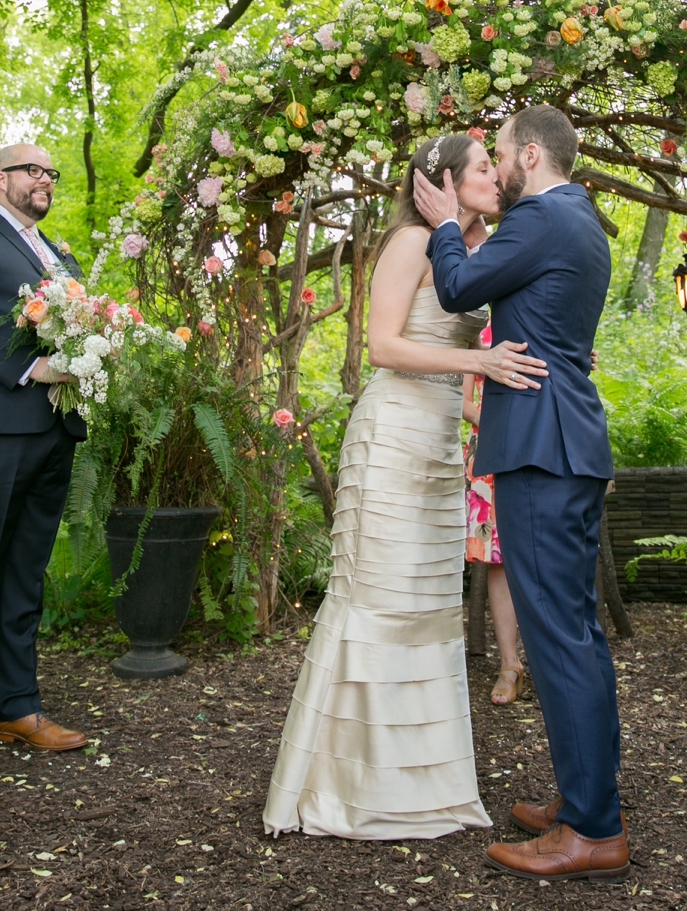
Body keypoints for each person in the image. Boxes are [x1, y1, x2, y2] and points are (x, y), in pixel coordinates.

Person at [262, 133, 547, 840]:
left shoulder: (476, 253)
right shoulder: (411, 242)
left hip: (440, 444)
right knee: (379, 603)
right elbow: (383, 348)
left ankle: (423, 785)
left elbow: (460, 362)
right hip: (390, 437)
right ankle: (347, 784)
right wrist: (483, 364)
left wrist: (493, 388)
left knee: (427, 609)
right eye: (483, 166)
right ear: (442, 181)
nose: (495, 175)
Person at [414, 104, 628, 884]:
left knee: (558, 638)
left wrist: (443, 223)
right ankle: (587, 801)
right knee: (575, 633)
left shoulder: (539, 216)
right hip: (565, 440)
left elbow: (459, 284)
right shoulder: (580, 220)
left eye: (501, 154)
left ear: (530, 156)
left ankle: (593, 831)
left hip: (544, 446)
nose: (497, 168)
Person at [0, 144, 87, 774]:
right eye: (31, 170)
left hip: (53, 430)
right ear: (0, 178)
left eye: (50, 173)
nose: (44, 179)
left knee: (24, 575)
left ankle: (16, 706)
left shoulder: (58, 254)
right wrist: (29, 367)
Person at [462, 326, 524, 706]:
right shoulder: (478, 328)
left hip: (543, 444)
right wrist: (504, 430)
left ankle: (555, 664)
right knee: (498, 562)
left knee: (544, 555)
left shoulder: (543, 315)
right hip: (491, 451)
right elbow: (462, 401)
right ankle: (509, 665)